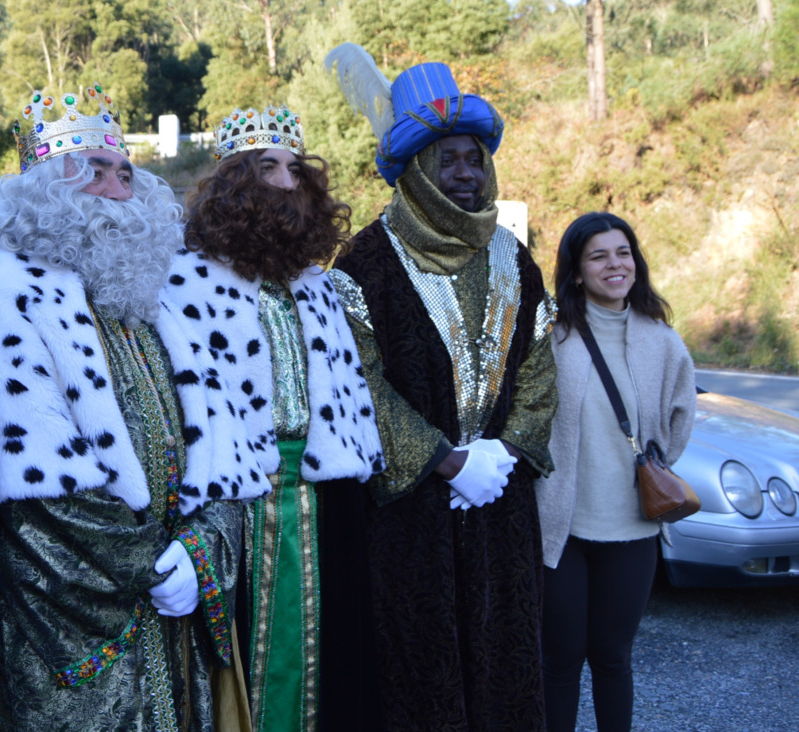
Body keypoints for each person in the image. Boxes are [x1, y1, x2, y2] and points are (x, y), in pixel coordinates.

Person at [0, 86, 265, 732]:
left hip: (175, 611)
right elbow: (34, 500)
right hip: (73, 634)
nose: (118, 189)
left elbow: (223, 459)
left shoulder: (152, 303)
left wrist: (200, 552)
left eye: (125, 172)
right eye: (92, 172)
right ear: (39, 192)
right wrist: (147, 566)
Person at [319, 45, 559, 730]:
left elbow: (540, 362)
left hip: (500, 504)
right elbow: (355, 382)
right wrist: (445, 460)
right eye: (445, 159)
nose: (463, 173)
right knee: (419, 671)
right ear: (415, 168)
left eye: (472, 158)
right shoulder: (365, 263)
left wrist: (505, 454)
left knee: (505, 660)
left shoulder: (515, 258)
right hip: (411, 515)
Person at [167, 104, 385, 732]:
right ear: (236, 181)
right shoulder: (184, 280)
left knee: (333, 662)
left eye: (296, 170)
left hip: (326, 497)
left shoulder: (319, 283)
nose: (288, 182)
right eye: (269, 167)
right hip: (238, 501)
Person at [534, 212, 695, 732]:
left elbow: (680, 414)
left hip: (633, 528)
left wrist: (655, 460)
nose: (614, 264)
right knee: (560, 663)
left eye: (622, 252)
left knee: (613, 658)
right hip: (563, 529)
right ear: (577, 272)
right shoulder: (552, 338)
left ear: (636, 261)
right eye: (598, 255)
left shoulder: (662, 341)